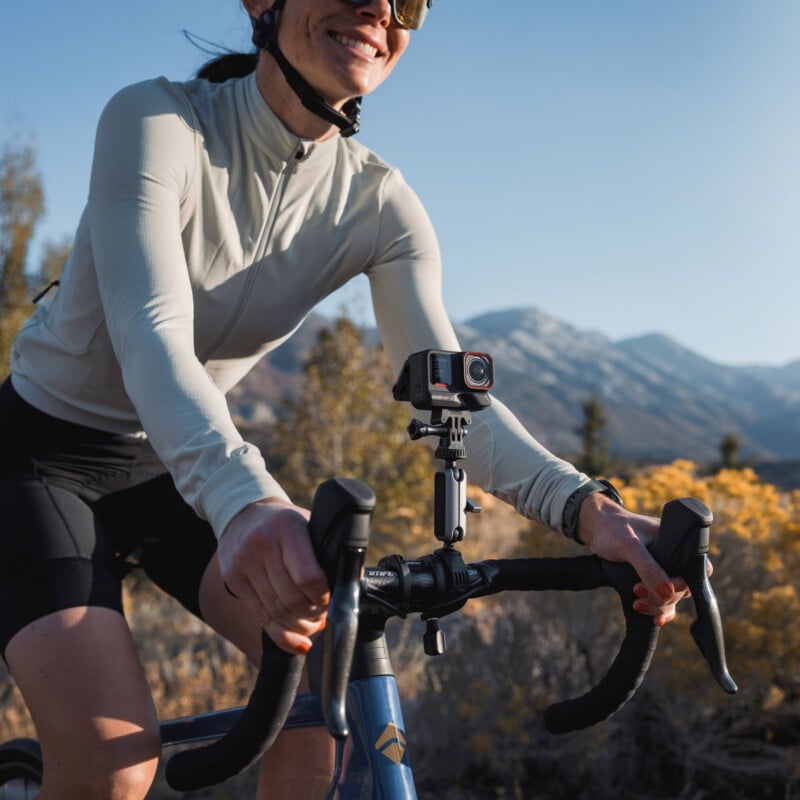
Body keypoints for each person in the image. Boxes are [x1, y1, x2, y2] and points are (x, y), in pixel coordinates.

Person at [0, 1, 693, 798]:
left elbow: (449, 403)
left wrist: (586, 509)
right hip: (41, 459)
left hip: (175, 466)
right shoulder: (157, 120)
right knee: (114, 764)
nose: (377, 9)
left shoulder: (379, 204)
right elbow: (149, 326)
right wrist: (248, 502)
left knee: (326, 701)